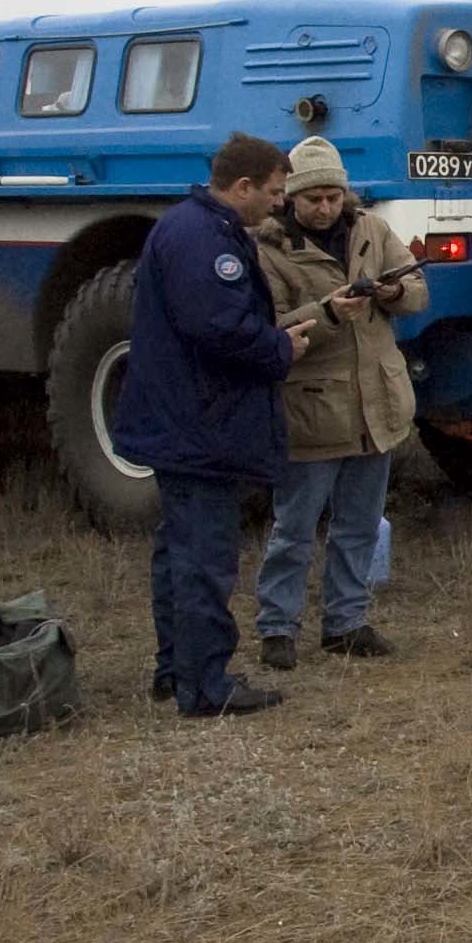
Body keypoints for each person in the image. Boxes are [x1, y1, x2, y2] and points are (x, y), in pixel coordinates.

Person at [113, 134, 318, 716]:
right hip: (199, 424)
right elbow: (219, 328)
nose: (280, 203)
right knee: (204, 556)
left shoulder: (190, 229)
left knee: (179, 551)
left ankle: (176, 669)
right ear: (243, 187)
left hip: (182, 419)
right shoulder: (206, 241)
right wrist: (280, 348)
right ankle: (205, 684)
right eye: (276, 192)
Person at [251, 137, 429, 670]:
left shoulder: (372, 231)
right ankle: (277, 629)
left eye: (333, 196)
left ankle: (346, 623)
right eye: (313, 199)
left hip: (378, 407)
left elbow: (418, 289)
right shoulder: (270, 250)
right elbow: (268, 329)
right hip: (313, 411)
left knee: (359, 525)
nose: (325, 208)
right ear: (293, 200)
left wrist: (392, 294)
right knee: (294, 530)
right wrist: (328, 313)